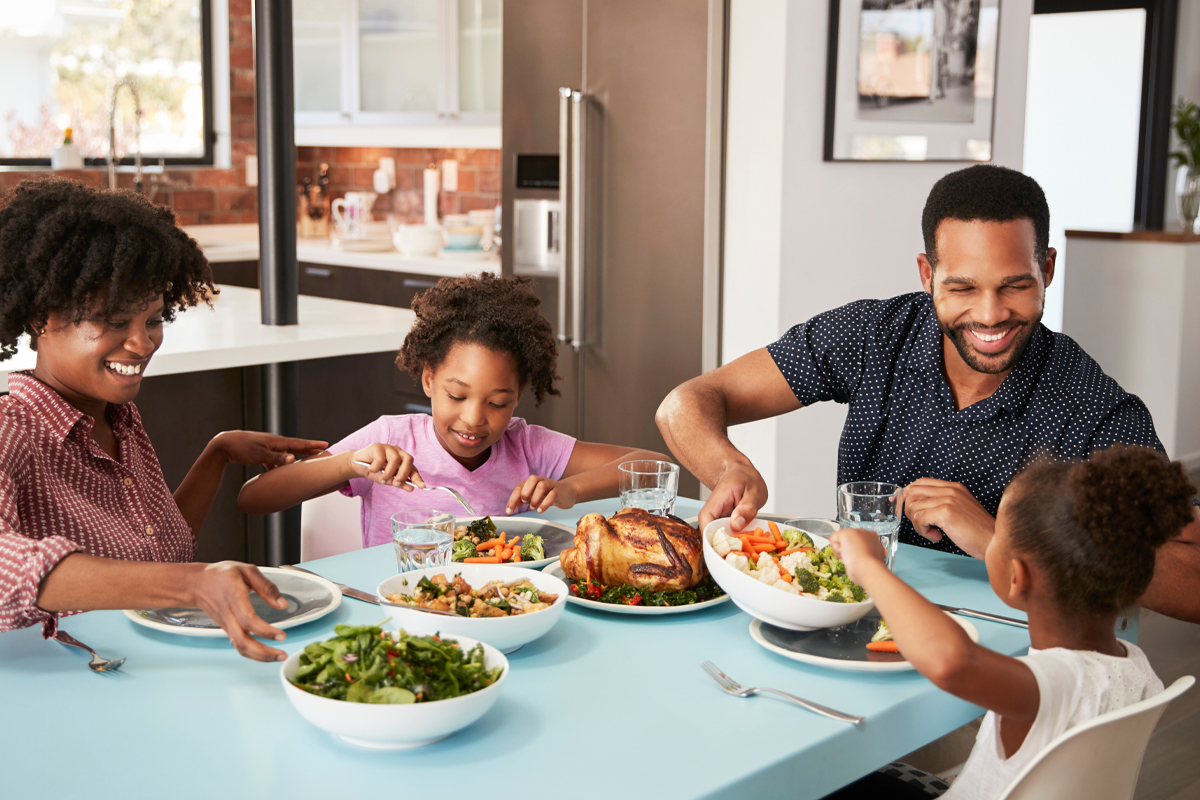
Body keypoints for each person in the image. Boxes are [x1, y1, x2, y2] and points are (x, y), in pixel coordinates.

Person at [656, 164, 1200, 622]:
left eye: (1015, 284)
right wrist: (727, 467)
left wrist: (1002, 540)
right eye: (962, 287)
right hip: (848, 623)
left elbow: (1191, 578)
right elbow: (687, 402)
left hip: (999, 670)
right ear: (927, 274)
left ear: (1048, 269)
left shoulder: (1093, 407)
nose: (989, 315)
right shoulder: (875, 335)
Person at [0, 178, 327, 662]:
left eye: (153, 320)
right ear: (39, 318)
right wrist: (192, 584)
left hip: (144, 667)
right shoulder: (12, 428)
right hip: (71, 686)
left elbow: (156, 553)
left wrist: (217, 455)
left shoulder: (120, 418)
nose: (143, 343)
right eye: (113, 321)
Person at [821, 445, 1195, 799]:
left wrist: (869, 566)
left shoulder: (1052, 683)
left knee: (824, 779)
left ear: (1018, 577)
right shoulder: (1138, 669)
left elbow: (953, 660)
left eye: (999, 534)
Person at [238, 273, 666, 547]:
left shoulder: (528, 446)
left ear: (517, 397)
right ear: (428, 379)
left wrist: (571, 490)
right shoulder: (392, 437)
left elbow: (655, 465)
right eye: (457, 396)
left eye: (498, 403)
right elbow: (254, 497)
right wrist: (350, 464)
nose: (474, 419)